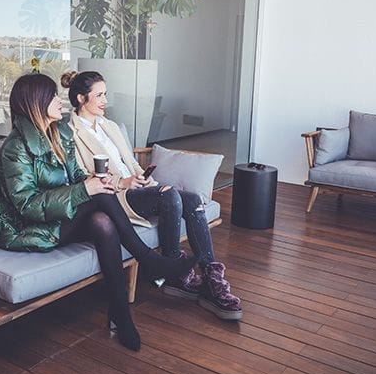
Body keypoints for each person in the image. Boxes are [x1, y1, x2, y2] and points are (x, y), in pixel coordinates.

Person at [0, 73, 196, 351]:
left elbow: (76, 175)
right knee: (98, 200)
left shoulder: (59, 133)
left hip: (61, 216)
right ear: (35, 102)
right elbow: (27, 206)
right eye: (52, 96)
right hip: (29, 229)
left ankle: (120, 312)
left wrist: (95, 181)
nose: (58, 100)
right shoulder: (15, 148)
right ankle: (148, 261)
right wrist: (85, 190)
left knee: (103, 221)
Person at [61, 70, 242, 321]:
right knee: (168, 196)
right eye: (99, 95)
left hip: (137, 188)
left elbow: (130, 162)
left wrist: (142, 176)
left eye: (106, 94)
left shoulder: (110, 125)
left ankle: (213, 278)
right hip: (114, 197)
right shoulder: (69, 134)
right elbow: (81, 176)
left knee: (192, 200)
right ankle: (174, 274)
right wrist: (124, 181)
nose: (105, 100)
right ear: (81, 98)